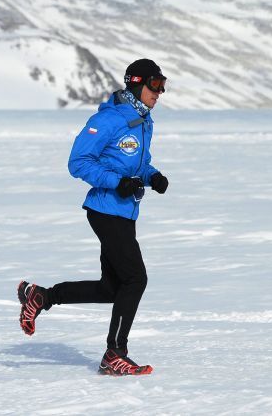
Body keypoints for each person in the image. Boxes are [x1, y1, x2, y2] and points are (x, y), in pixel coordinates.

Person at [17, 58, 171, 376]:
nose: (160, 92)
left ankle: (42, 296)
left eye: (163, 85)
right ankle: (115, 352)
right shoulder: (111, 119)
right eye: (155, 85)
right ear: (136, 83)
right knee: (135, 279)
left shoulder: (143, 121)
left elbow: (132, 163)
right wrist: (116, 182)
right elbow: (78, 161)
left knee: (112, 289)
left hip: (124, 211)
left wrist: (151, 175)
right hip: (105, 209)